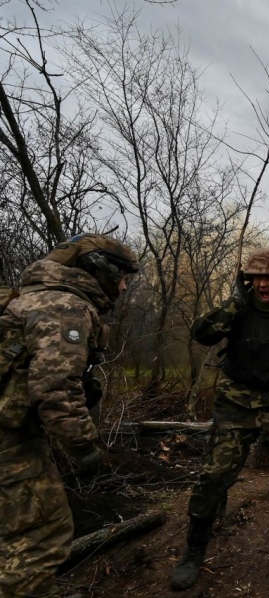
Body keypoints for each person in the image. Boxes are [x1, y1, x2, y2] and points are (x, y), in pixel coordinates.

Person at [170, 248, 269, 591]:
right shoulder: (237, 308)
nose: (263, 284)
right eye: (257, 277)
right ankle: (194, 549)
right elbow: (202, 333)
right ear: (248, 280)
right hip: (237, 404)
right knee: (214, 476)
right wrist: (235, 302)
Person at [0, 234, 139, 598]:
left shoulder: (30, 297)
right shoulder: (64, 306)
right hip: (9, 440)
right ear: (101, 270)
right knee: (41, 533)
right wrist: (85, 449)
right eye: (123, 277)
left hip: (14, 430)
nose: (124, 287)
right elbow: (56, 389)